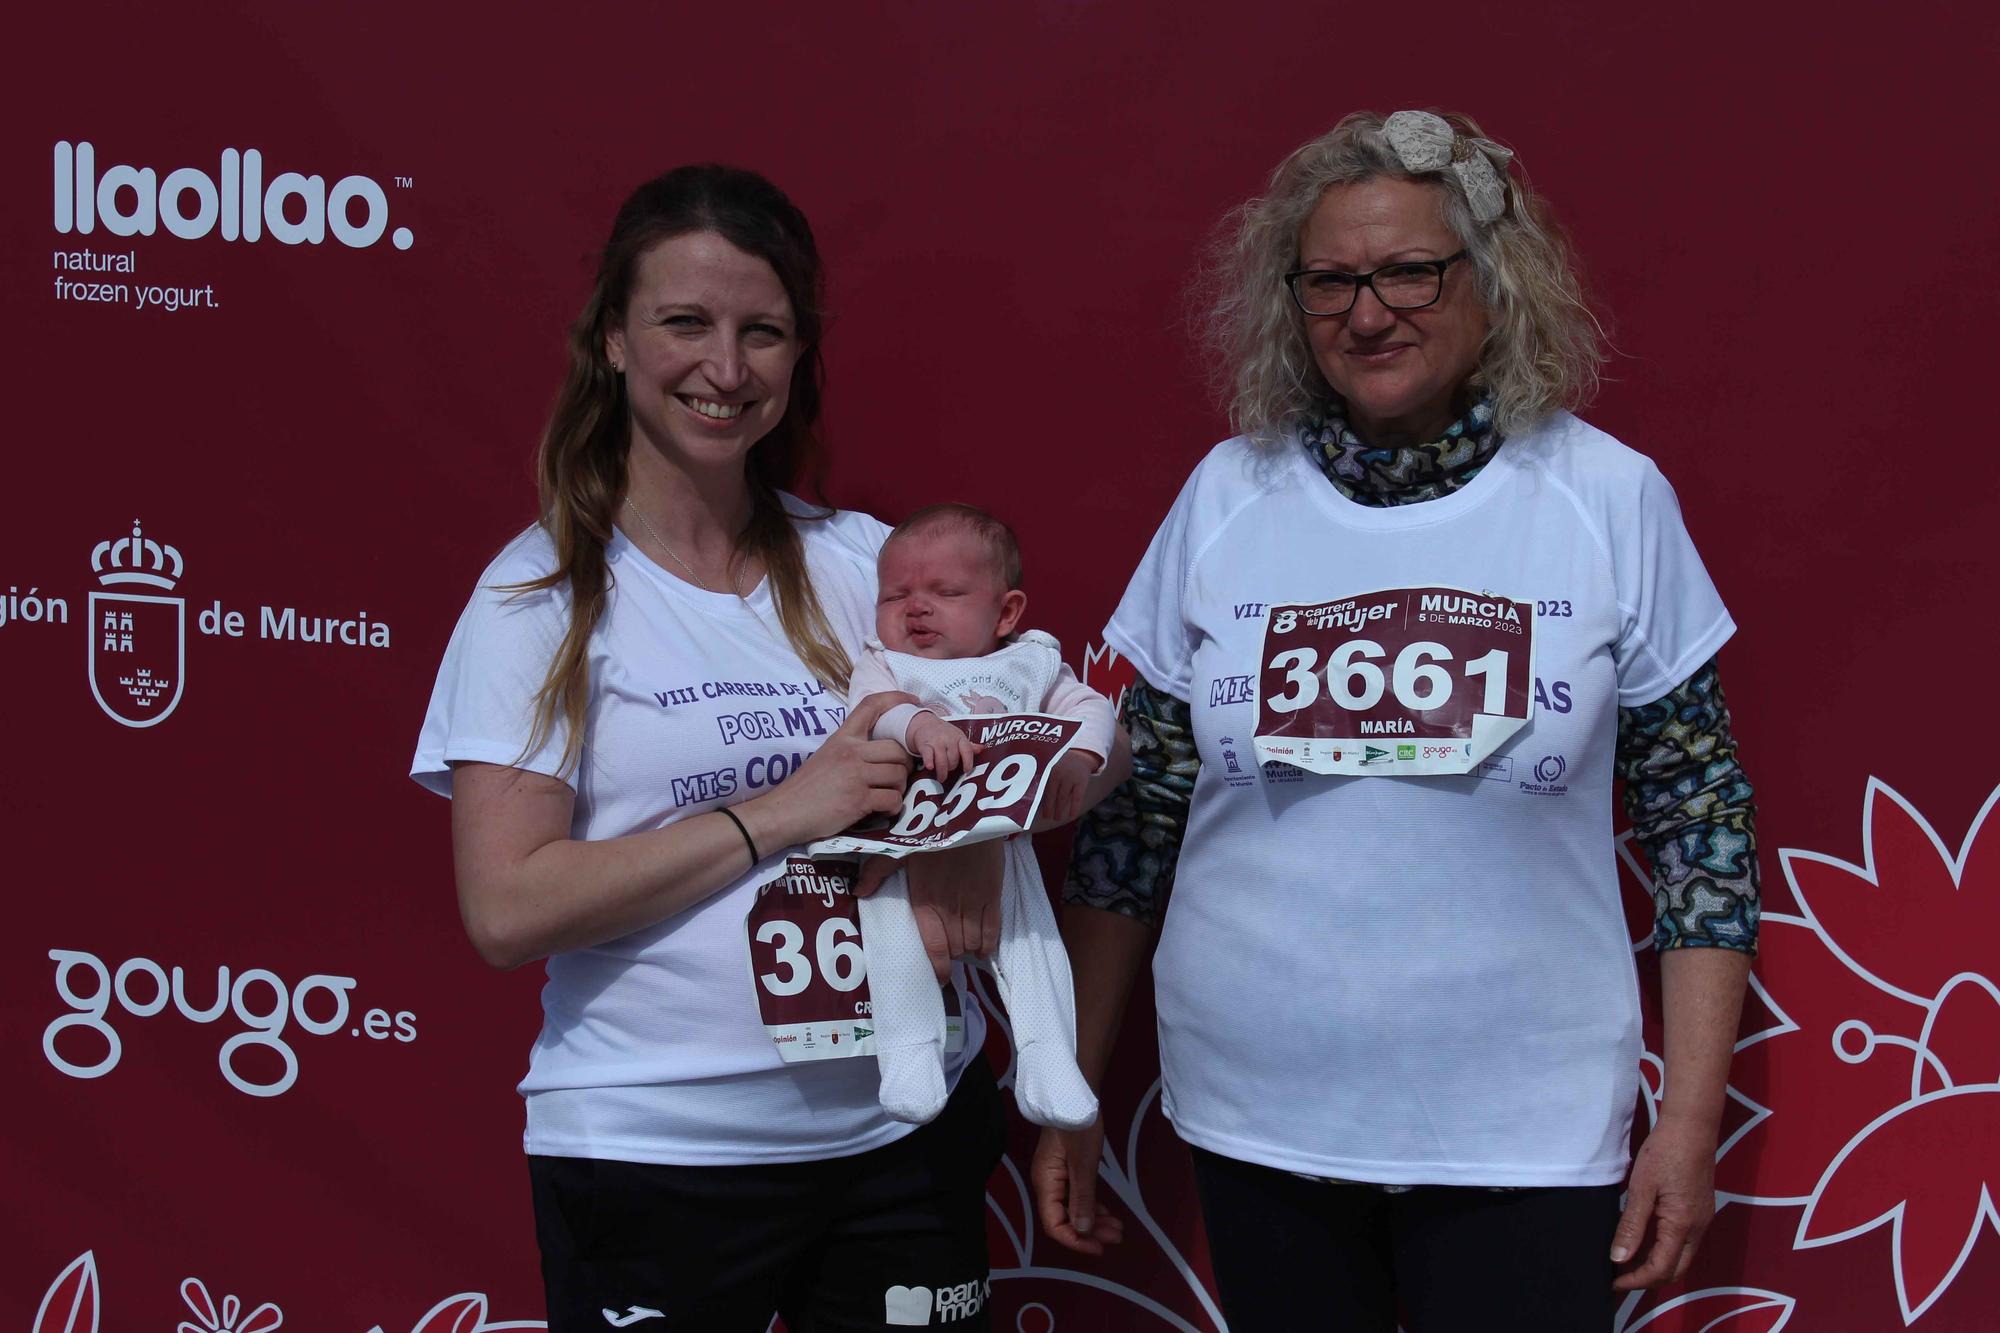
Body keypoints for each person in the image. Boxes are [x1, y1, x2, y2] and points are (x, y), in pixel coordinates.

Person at [1031, 110, 1760, 1331]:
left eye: (1409, 271)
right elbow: (1133, 826)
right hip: (1256, 1116)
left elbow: (1701, 829)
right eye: (1329, 281)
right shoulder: (1225, 494)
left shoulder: (1604, 497)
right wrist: (1068, 1082)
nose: (1368, 314)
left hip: (1520, 1129)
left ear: (1490, 280)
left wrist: (1688, 1123)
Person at [410, 165, 1109, 1332]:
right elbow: (507, 909)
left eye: (762, 332)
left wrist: (1003, 815)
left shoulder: (868, 567)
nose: (724, 370)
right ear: (613, 342)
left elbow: (1086, 728)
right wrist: (781, 811)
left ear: (798, 357)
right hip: (657, 1151)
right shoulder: (537, 597)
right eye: (685, 323)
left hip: (903, 1136)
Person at [847, 503, 1114, 1129]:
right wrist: (916, 721)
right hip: (903, 842)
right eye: (896, 595)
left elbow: (1091, 707)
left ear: (1007, 612)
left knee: (1033, 943)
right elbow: (870, 710)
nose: (915, 608)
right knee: (891, 936)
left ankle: (1050, 1061)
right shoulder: (886, 664)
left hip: (1001, 836)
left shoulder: (1031, 662)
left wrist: (1081, 756)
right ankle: (910, 1055)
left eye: (946, 592)